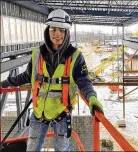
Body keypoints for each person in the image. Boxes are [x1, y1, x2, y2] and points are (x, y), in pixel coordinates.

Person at [0, 9, 103, 151]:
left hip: (62, 113)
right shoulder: (37, 54)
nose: (57, 34)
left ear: (67, 32)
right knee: (32, 148)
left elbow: (84, 81)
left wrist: (92, 97)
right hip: (38, 113)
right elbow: (27, 76)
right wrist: (5, 83)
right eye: (53, 29)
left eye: (62, 30)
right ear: (47, 31)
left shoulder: (75, 57)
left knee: (62, 148)